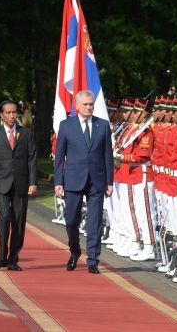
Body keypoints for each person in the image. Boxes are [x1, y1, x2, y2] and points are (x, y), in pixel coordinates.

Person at [54, 90, 114, 274]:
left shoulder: (102, 125)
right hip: (73, 178)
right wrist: (58, 181)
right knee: (71, 220)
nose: (89, 107)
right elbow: (59, 155)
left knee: (95, 221)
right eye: (85, 104)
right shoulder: (66, 125)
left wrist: (109, 181)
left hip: (96, 179)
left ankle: (93, 259)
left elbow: (107, 155)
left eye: (91, 104)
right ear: (77, 106)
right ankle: (74, 251)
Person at [0, 100, 38, 271]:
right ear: (1, 115)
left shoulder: (26, 133)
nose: (12, 116)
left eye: (14, 112)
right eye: (8, 112)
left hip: (21, 183)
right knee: (5, 216)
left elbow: (32, 160)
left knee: (19, 221)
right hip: (0, 182)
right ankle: (1, 257)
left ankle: (13, 259)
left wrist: (33, 182)